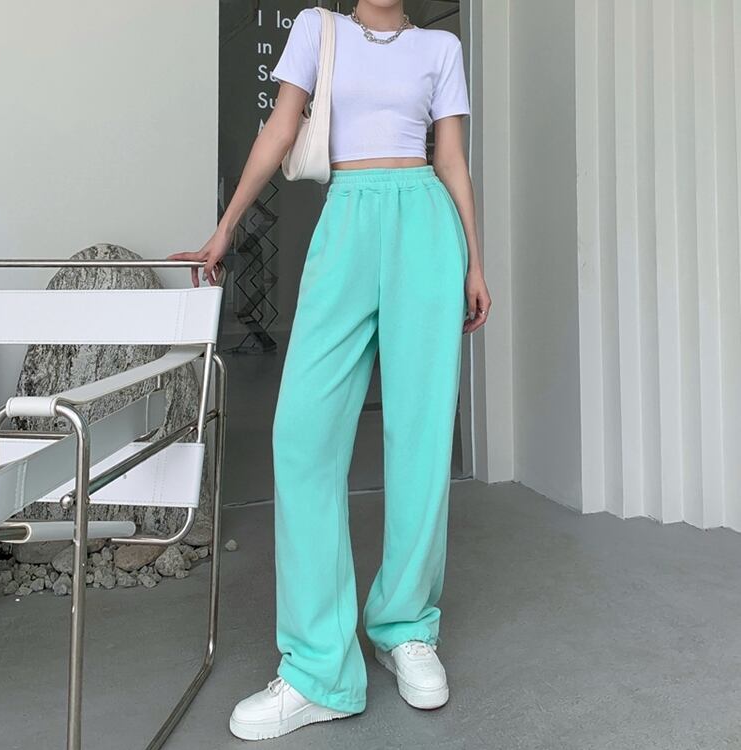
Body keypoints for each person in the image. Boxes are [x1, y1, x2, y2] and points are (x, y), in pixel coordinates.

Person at [168, 0, 492, 741]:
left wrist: (474, 260)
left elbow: (450, 159)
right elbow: (281, 129)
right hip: (346, 219)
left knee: (420, 436)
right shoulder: (318, 29)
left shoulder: (439, 50)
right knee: (302, 437)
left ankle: (405, 626)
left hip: (425, 226)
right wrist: (224, 229)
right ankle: (320, 670)